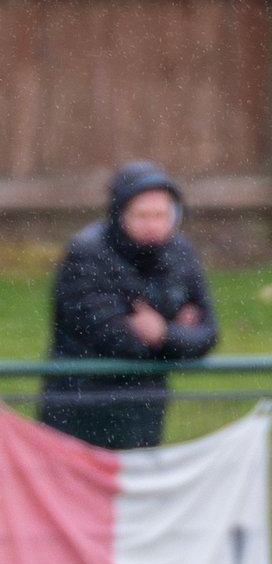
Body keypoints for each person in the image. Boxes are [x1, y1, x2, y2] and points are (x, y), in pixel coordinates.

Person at [38, 162, 219, 451]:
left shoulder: (181, 253)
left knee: (136, 488)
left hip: (145, 406)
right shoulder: (86, 255)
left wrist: (163, 334)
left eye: (161, 215)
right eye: (143, 215)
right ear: (120, 215)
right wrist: (175, 332)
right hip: (81, 404)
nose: (153, 225)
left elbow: (208, 333)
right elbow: (114, 337)